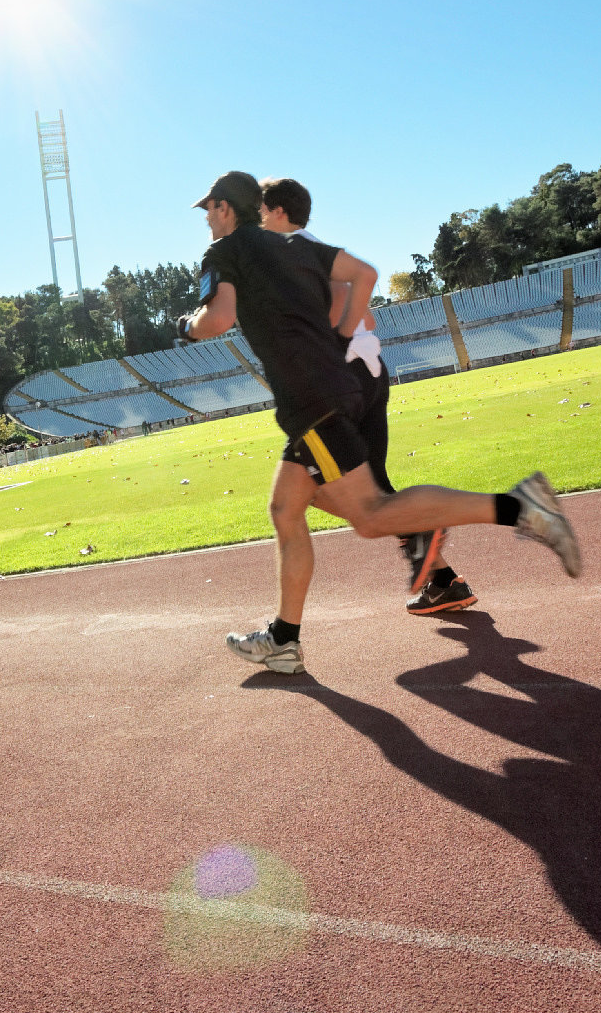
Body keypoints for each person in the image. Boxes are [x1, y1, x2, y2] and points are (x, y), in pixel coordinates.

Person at [177, 171, 580, 675]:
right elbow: (365, 273)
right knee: (286, 507)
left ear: (224, 208)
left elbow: (217, 320)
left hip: (310, 399)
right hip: (338, 386)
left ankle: (519, 507)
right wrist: (340, 335)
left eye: (209, 210)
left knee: (370, 514)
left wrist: (185, 325)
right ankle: (283, 638)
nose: (207, 221)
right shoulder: (294, 246)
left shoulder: (224, 253)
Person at [261, 176, 475, 615]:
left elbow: (344, 296)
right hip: (369, 371)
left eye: (260, 212)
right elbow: (369, 321)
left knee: (310, 497)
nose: (256, 222)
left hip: (341, 381)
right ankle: (442, 578)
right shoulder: (315, 249)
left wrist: (332, 345)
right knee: (370, 492)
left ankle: (285, 632)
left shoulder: (294, 252)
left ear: (278, 211)